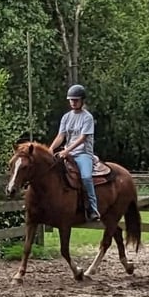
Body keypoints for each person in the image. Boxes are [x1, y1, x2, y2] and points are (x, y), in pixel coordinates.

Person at [49, 84, 100, 221]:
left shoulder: (87, 117)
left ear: (82, 101)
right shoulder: (66, 117)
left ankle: (93, 208)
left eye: (76, 100)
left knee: (86, 177)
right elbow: (61, 136)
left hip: (83, 153)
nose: (73, 102)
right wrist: (51, 149)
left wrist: (67, 150)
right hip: (68, 153)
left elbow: (83, 138)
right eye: (71, 100)